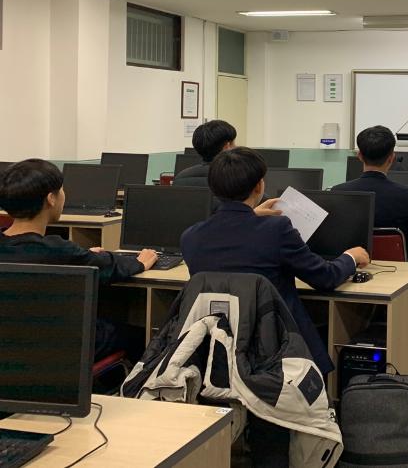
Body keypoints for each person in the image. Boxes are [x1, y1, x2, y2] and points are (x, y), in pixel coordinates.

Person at [180, 146, 370, 376]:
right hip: (274, 345)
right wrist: (350, 258)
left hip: (218, 346)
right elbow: (324, 278)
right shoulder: (276, 229)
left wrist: (251, 216)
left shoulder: (191, 236)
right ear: (259, 186)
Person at [0, 159, 157, 361]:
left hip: (11, 350)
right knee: (140, 336)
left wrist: (82, 254)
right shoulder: (59, 251)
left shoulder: (60, 252)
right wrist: (139, 262)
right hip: (60, 347)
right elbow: (109, 266)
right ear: (51, 199)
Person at [333, 125, 408, 261]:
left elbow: (332, 239)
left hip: (350, 267)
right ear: (391, 158)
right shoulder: (406, 195)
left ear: (359, 156)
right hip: (396, 269)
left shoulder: (338, 192)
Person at [172, 119, 237, 187]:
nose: (236, 147)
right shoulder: (236, 179)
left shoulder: (180, 177)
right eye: (233, 143)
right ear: (227, 147)